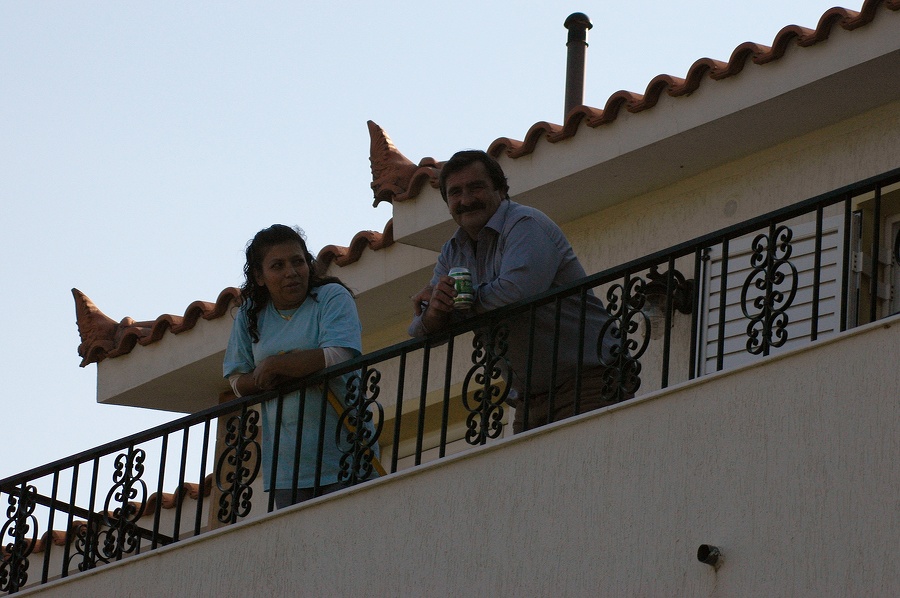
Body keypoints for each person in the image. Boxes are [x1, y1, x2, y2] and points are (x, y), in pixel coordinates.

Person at [408, 150, 625, 433]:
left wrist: (461, 302)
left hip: (589, 380)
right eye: (455, 192)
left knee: (588, 459)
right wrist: (437, 311)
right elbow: (420, 329)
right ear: (447, 202)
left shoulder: (525, 224)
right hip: (528, 399)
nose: (466, 200)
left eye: (476, 187)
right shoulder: (453, 250)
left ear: (500, 189)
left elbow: (515, 293)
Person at [224, 224, 375, 508]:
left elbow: (339, 355)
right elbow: (236, 382)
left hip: (346, 453)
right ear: (259, 276)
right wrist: (274, 373)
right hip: (287, 469)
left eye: (298, 261)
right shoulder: (249, 314)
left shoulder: (331, 296)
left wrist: (275, 365)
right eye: (277, 266)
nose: (291, 272)